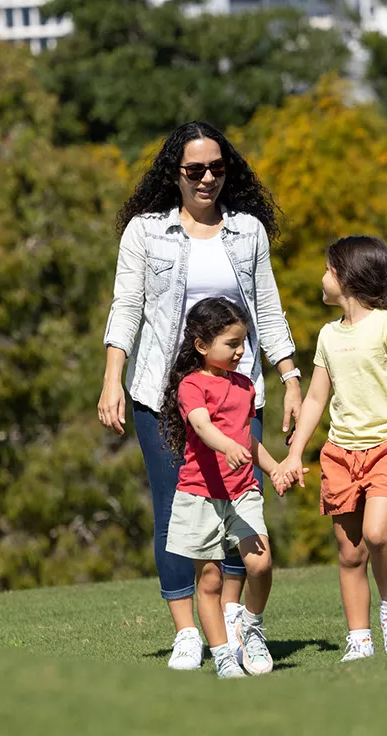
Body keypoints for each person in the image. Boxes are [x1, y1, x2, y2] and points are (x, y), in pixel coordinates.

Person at [97, 121, 303, 671]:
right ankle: (187, 629)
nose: (207, 178)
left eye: (217, 167)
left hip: (239, 396)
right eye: (195, 170)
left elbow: (269, 310)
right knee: (176, 512)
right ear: (176, 174)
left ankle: (233, 624)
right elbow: (127, 307)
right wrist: (112, 377)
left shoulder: (248, 232)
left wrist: (290, 380)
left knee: (239, 506)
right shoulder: (145, 232)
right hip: (162, 396)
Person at [274, 237, 387, 662]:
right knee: (350, 552)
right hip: (341, 454)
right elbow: (317, 400)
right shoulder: (327, 335)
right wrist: (294, 453)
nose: (321, 279)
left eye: (327, 269)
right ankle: (359, 639)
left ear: (346, 277)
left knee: (378, 534)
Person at [160, 297, 283, 678]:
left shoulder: (246, 386)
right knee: (210, 579)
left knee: (260, 563)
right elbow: (201, 426)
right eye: (231, 344)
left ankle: (251, 625)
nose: (240, 351)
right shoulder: (191, 385)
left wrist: (275, 468)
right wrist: (226, 445)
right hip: (199, 495)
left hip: (242, 490)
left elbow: (247, 439)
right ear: (201, 345)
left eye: (243, 342)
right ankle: (223, 655)